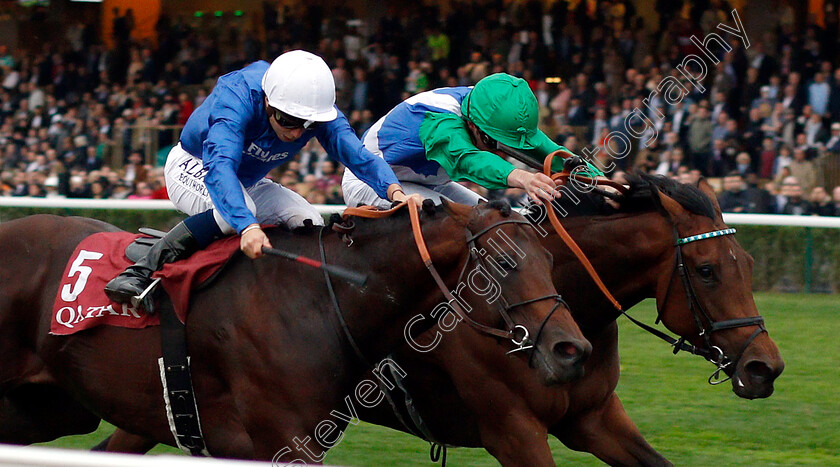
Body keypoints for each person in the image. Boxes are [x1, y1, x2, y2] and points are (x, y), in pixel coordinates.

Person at [105, 50, 417, 305]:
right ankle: (140, 271)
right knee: (239, 215)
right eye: (288, 120)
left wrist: (395, 193)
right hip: (196, 164)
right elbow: (221, 167)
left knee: (307, 219)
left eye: (307, 125)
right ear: (267, 101)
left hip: (247, 182)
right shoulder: (237, 98)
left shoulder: (314, 108)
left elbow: (359, 156)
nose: (296, 132)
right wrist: (247, 226)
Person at [342, 73, 602, 209]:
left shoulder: (489, 109)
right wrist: (523, 178)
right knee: (457, 226)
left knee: (497, 220)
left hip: (425, 181)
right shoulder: (439, 122)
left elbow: (549, 153)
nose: (503, 152)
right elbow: (469, 160)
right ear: (474, 127)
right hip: (371, 181)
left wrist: (601, 182)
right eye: (498, 144)